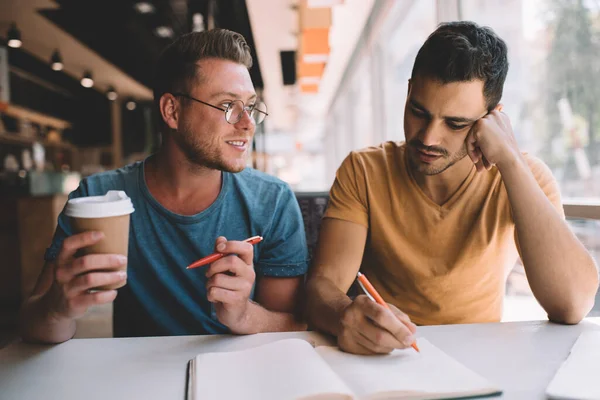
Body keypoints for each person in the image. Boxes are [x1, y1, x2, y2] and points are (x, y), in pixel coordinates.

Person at [305, 21, 599, 355]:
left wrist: (510, 161)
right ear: (408, 91)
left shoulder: (524, 176)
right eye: (418, 111)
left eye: (455, 124)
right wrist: (344, 314)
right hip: (388, 358)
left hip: (482, 360)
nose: (429, 138)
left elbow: (573, 305)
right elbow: (322, 286)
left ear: (493, 120)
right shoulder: (364, 170)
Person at [19, 29, 309, 343]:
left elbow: (295, 325)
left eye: (250, 106)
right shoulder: (98, 199)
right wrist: (57, 309)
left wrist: (243, 314)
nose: (247, 122)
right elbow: (34, 328)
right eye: (228, 105)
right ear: (172, 111)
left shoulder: (273, 201)